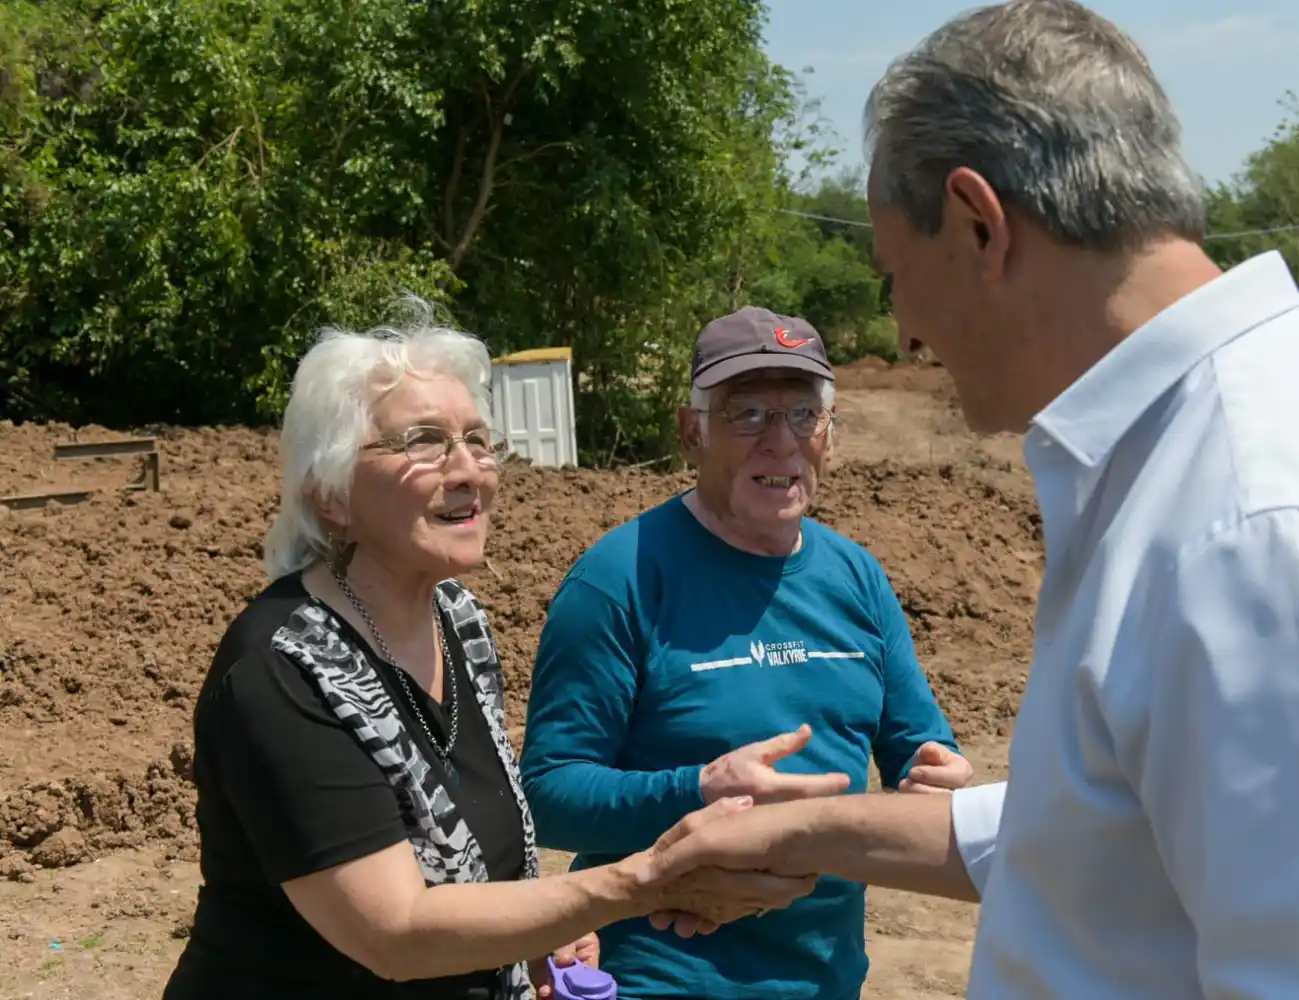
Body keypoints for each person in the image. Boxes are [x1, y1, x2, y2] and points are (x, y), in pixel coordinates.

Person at [639, 2, 1299, 998]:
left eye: (896, 274)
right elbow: (1114, 836)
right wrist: (808, 829)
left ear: (978, 223)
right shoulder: (1219, 453)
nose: (905, 328)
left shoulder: (1259, 526)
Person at [161, 301, 815, 1000]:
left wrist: (541, 931)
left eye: (477, 440)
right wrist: (640, 880)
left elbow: (480, 855)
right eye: (424, 442)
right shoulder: (281, 668)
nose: (470, 470)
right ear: (331, 497)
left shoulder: (455, 618)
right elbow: (398, 932)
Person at [519, 304, 974, 1000]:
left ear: (829, 432)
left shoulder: (857, 578)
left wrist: (934, 779)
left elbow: (918, 747)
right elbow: (548, 794)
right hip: (659, 978)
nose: (781, 443)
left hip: (826, 979)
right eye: (748, 414)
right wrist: (698, 791)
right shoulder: (620, 579)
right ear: (690, 431)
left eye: (802, 414)